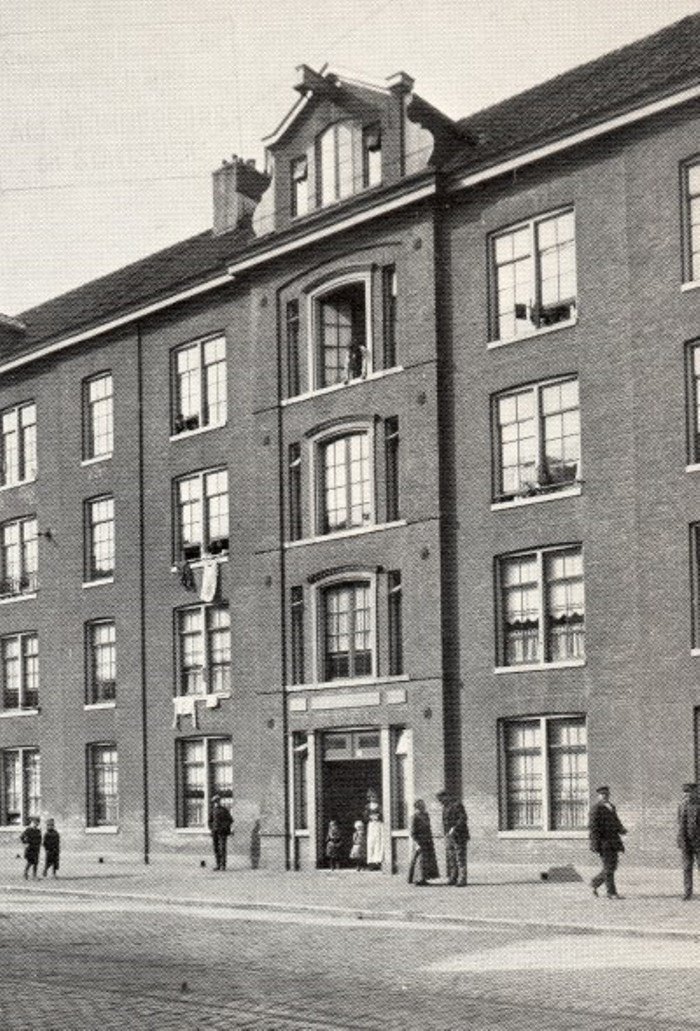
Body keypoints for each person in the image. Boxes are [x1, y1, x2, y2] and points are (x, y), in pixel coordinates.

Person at [589, 785, 627, 899]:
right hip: (603, 843)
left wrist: (621, 829)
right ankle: (611, 892)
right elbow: (593, 828)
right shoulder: (596, 809)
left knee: (612, 866)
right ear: (598, 796)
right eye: (603, 794)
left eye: (607, 794)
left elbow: (616, 821)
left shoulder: (611, 806)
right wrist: (595, 844)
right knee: (609, 867)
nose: (605, 796)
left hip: (613, 841)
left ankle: (595, 883)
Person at [436, 790, 469, 886]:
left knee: (460, 858)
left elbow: (463, 818)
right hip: (449, 837)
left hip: (459, 836)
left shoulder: (457, 805)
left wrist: (454, 828)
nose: (440, 802)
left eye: (441, 799)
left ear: (446, 797)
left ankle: (462, 879)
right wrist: (445, 833)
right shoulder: (445, 807)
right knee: (451, 858)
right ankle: (453, 877)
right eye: (439, 800)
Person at [676, 782, 700, 900]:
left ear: (696, 792)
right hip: (685, 841)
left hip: (698, 841)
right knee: (687, 868)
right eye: (686, 792)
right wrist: (682, 839)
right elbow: (680, 823)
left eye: (690, 792)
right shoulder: (682, 805)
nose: (688, 795)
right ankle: (687, 892)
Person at [408, 799, 439, 887]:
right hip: (419, 840)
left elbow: (428, 828)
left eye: (423, 805)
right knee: (419, 860)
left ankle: (424, 878)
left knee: (427, 860)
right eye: (421, 806)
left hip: (427, 840)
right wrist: (417, 843)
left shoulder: (426, 815)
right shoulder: (414, 817)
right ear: (417, 807)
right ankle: (417, 879)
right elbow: (413, 832)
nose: (423, 807)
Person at [208, 795, 233, 871]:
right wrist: (212, 828)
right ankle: (218, 865)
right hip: (215, 832)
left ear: (219, 801)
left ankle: (223, 865)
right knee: (216, 848)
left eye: (217, 801)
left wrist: (224, 827)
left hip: (222, 832)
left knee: (222, 848)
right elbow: (209, 821)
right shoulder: (212, 811)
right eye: (214, 802)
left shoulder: (224, 810)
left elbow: (230, 820)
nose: (216, 803)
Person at [364, 790, 386, 870]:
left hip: (378, 825)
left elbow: (383, 815)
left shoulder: (379, 806)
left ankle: (378, 861)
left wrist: (378, 816)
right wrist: (369, 817)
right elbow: (365, 816)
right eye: (371, 797)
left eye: (374, 796)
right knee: (371, 842)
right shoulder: (367, 806)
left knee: (378, 842)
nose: (372, 798)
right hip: (371, 825)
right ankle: (371, 861)